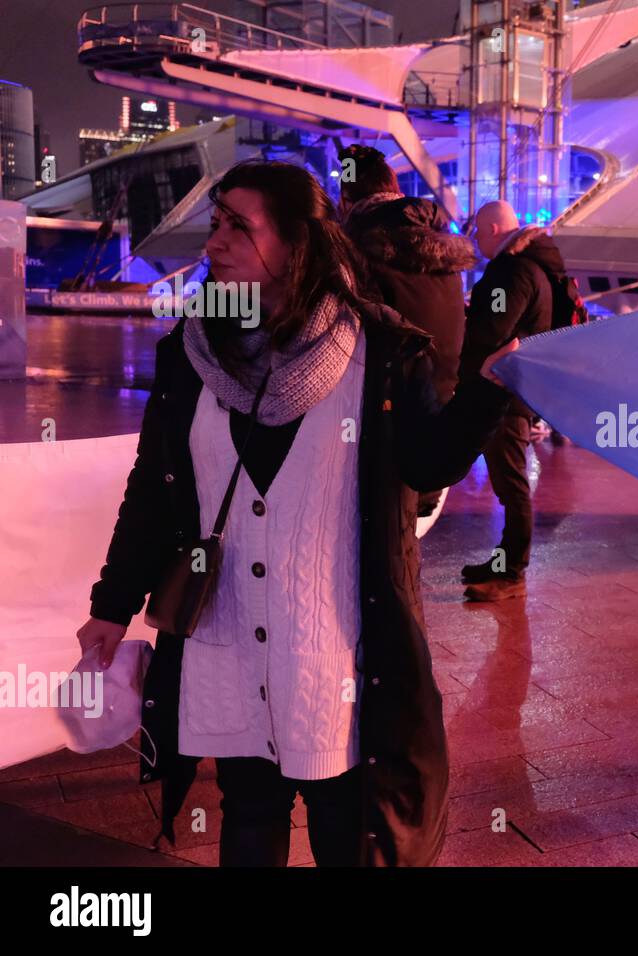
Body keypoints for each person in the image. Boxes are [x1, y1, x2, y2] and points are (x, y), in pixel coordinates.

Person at [75, 160, 518, 866]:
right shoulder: (189, 356)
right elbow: (155, 491)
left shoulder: (379, 350)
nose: (214, 241)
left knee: (345, 823)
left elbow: (429, 463)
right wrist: (112, 603)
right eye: (216, 222)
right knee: (247, 815)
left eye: (238, 228)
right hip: (224, 640)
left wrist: (490, 391)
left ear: (295, 248)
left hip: (332, 650)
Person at [339, 145, 478, 535]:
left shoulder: (358, 248)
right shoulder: (440, 251)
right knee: (400, 550)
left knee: (376, 553)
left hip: (385, 429)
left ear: (347, 198)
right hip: (438, 414)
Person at [458, 199, 569, 602]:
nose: (475, 242)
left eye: (477, 233)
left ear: (490, 229)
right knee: (510, 486)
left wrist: (464, 323)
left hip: (504, 393)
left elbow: (494, 329)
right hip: (515, 389)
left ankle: (512, 573)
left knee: (512, 487)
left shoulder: (511, 269)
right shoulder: (532, 267)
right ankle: (503, 564)